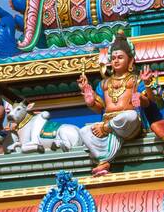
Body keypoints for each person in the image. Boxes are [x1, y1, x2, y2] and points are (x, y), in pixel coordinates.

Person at [56, 31, 158, 176]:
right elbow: (100, 108)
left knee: (130, 115)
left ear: (130, 61)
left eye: (120, 57)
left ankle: (107, 133)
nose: (116, 61)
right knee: (84, 131)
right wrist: (91, 101)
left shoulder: (136, 80)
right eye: (114, 58)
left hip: (127, 124)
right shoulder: (104, 83)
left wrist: (144, 92)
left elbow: (149, 102)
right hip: (108, 122)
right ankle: (104, 160)